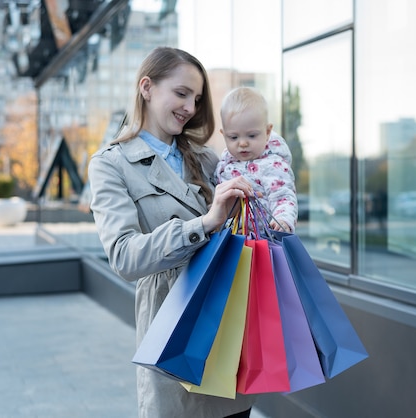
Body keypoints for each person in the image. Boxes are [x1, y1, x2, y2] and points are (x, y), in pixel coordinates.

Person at [87, 47, 257, 418]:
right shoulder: (110, 165)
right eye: (181, 93)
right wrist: (204, 224)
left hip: (225, 327)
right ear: (146, 87)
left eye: (196, 99)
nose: (190, 107)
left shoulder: (211, 159)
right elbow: (125, 257)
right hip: (170, 331)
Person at [216, 86, 297, 232]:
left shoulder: (273, 164)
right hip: (233, 239)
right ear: (224, 135)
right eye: (233, 137)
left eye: (252, 135)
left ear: (267, 132)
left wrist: (283, 220)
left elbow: (283, 196)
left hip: (264, 241)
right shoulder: (225, 164)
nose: (242, 143)